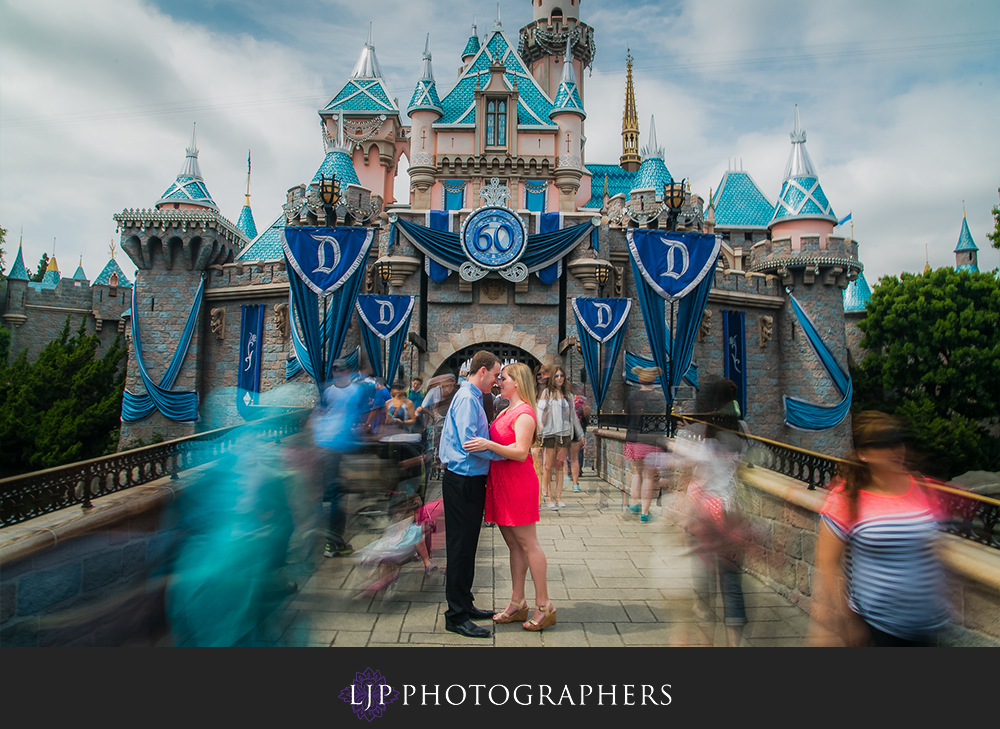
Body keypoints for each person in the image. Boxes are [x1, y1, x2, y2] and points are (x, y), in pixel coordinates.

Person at [810, 411, 949, 647]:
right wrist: (844, 620)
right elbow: (827, 564)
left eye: (898, 441)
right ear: (863, 454)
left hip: (925, 626)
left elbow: (936, 547)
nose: (896, 449)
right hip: (875, 628)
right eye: (884, 444)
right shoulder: (846, 498)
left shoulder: (922, 487)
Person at [465, 362, 556, 631]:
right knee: (515, 546)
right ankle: (518, 603)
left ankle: (544, 605)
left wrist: (487, 444)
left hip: (517, 485)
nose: (498, 382)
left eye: (503, 378)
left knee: (529, 544)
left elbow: (519, 451)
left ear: (516, 382)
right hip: (502, 485)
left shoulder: (524, 413)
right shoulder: (508, 409)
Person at [673, 377, 748, 647]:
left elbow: (696, 479)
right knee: (732, 588)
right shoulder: (742, 429)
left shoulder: (700, 435)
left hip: (704, 517)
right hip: (730, 514)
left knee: (704, 591)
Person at [437, 350, 504, 638]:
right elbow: (470, 443)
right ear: (482, 371)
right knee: (460, 547)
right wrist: (505, 454)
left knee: (468, 546)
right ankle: (456, 615)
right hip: (462, 480)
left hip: (469, 479)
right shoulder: (467, 399)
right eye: (496, 375)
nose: (498, 381)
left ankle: (465, 603)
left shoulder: (473, 397)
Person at [312, 360, 367, 558]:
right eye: (336, 370)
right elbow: (361, 417)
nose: (338, 373)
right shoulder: (355, 391)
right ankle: (333, 543)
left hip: (326, 444)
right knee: (336, 495)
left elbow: (321, 413)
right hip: (338, 445)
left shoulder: (328, 391)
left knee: (329, 492)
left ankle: (324, 537)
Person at [625, 366, 664, 522]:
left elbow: (627, 418)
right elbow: (660, 420)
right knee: (648, 476)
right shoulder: (658, 397)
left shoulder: (631, 397)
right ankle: (645, 512)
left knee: (637, 473)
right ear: (653, 381)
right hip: (649, 439)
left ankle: (634, 504)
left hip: (633, 437)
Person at [537, 366, 573, 510]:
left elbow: (571, 416)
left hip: (564, 432)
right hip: (550, 432)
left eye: (561, 376)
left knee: (560, 465)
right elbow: (540, 412)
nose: (559, 378)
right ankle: (549, 496)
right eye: (556, 376)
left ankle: (559, 497)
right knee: (548, 466)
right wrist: (540, 427)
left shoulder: (567, 394)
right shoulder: (547, 392)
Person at [531, 364, 551, 495]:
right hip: (534, 429)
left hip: (548, 429)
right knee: (534, 458)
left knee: (546, 462)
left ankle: (545, 488)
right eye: (539, 374)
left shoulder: (550, 392)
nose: (541, 377)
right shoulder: (531, 391)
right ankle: (534, 484)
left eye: (544, 374)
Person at [568, 381, 590, 493]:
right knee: (576, 456)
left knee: (566, 456)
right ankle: (576, 478)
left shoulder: (568, 399)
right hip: (577, 426)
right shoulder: (581, 399)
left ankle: (568, 474)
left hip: (566, 428)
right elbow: (586, 411)